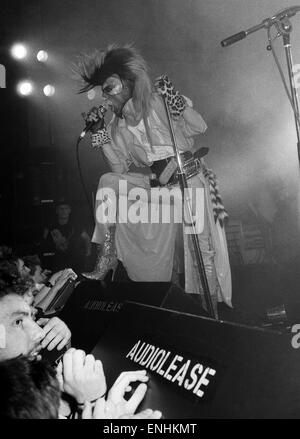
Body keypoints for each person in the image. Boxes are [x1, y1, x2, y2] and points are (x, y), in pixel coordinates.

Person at [76, 44, 232, 317]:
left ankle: (211, 314)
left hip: (188, 180)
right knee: (108, 180)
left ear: (126, 83)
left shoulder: (157, 101)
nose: (106, 96)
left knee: (202, 252)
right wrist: (100, 134)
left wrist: (176, 100)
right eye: (103, 92)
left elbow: (200, 127)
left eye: (109, 87)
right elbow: (118, 166)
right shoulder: (118, 125)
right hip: (158, 188)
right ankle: (108, 253)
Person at [42, 198, 91, 273]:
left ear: (69, 211)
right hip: (57, 261)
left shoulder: (76, 224)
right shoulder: (51, 225)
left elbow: (86, 238)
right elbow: (44, 240)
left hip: (74, 261)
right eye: (61, 209)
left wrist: (88, 253)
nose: (63, 211)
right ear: (57, 211)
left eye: (66, 208)